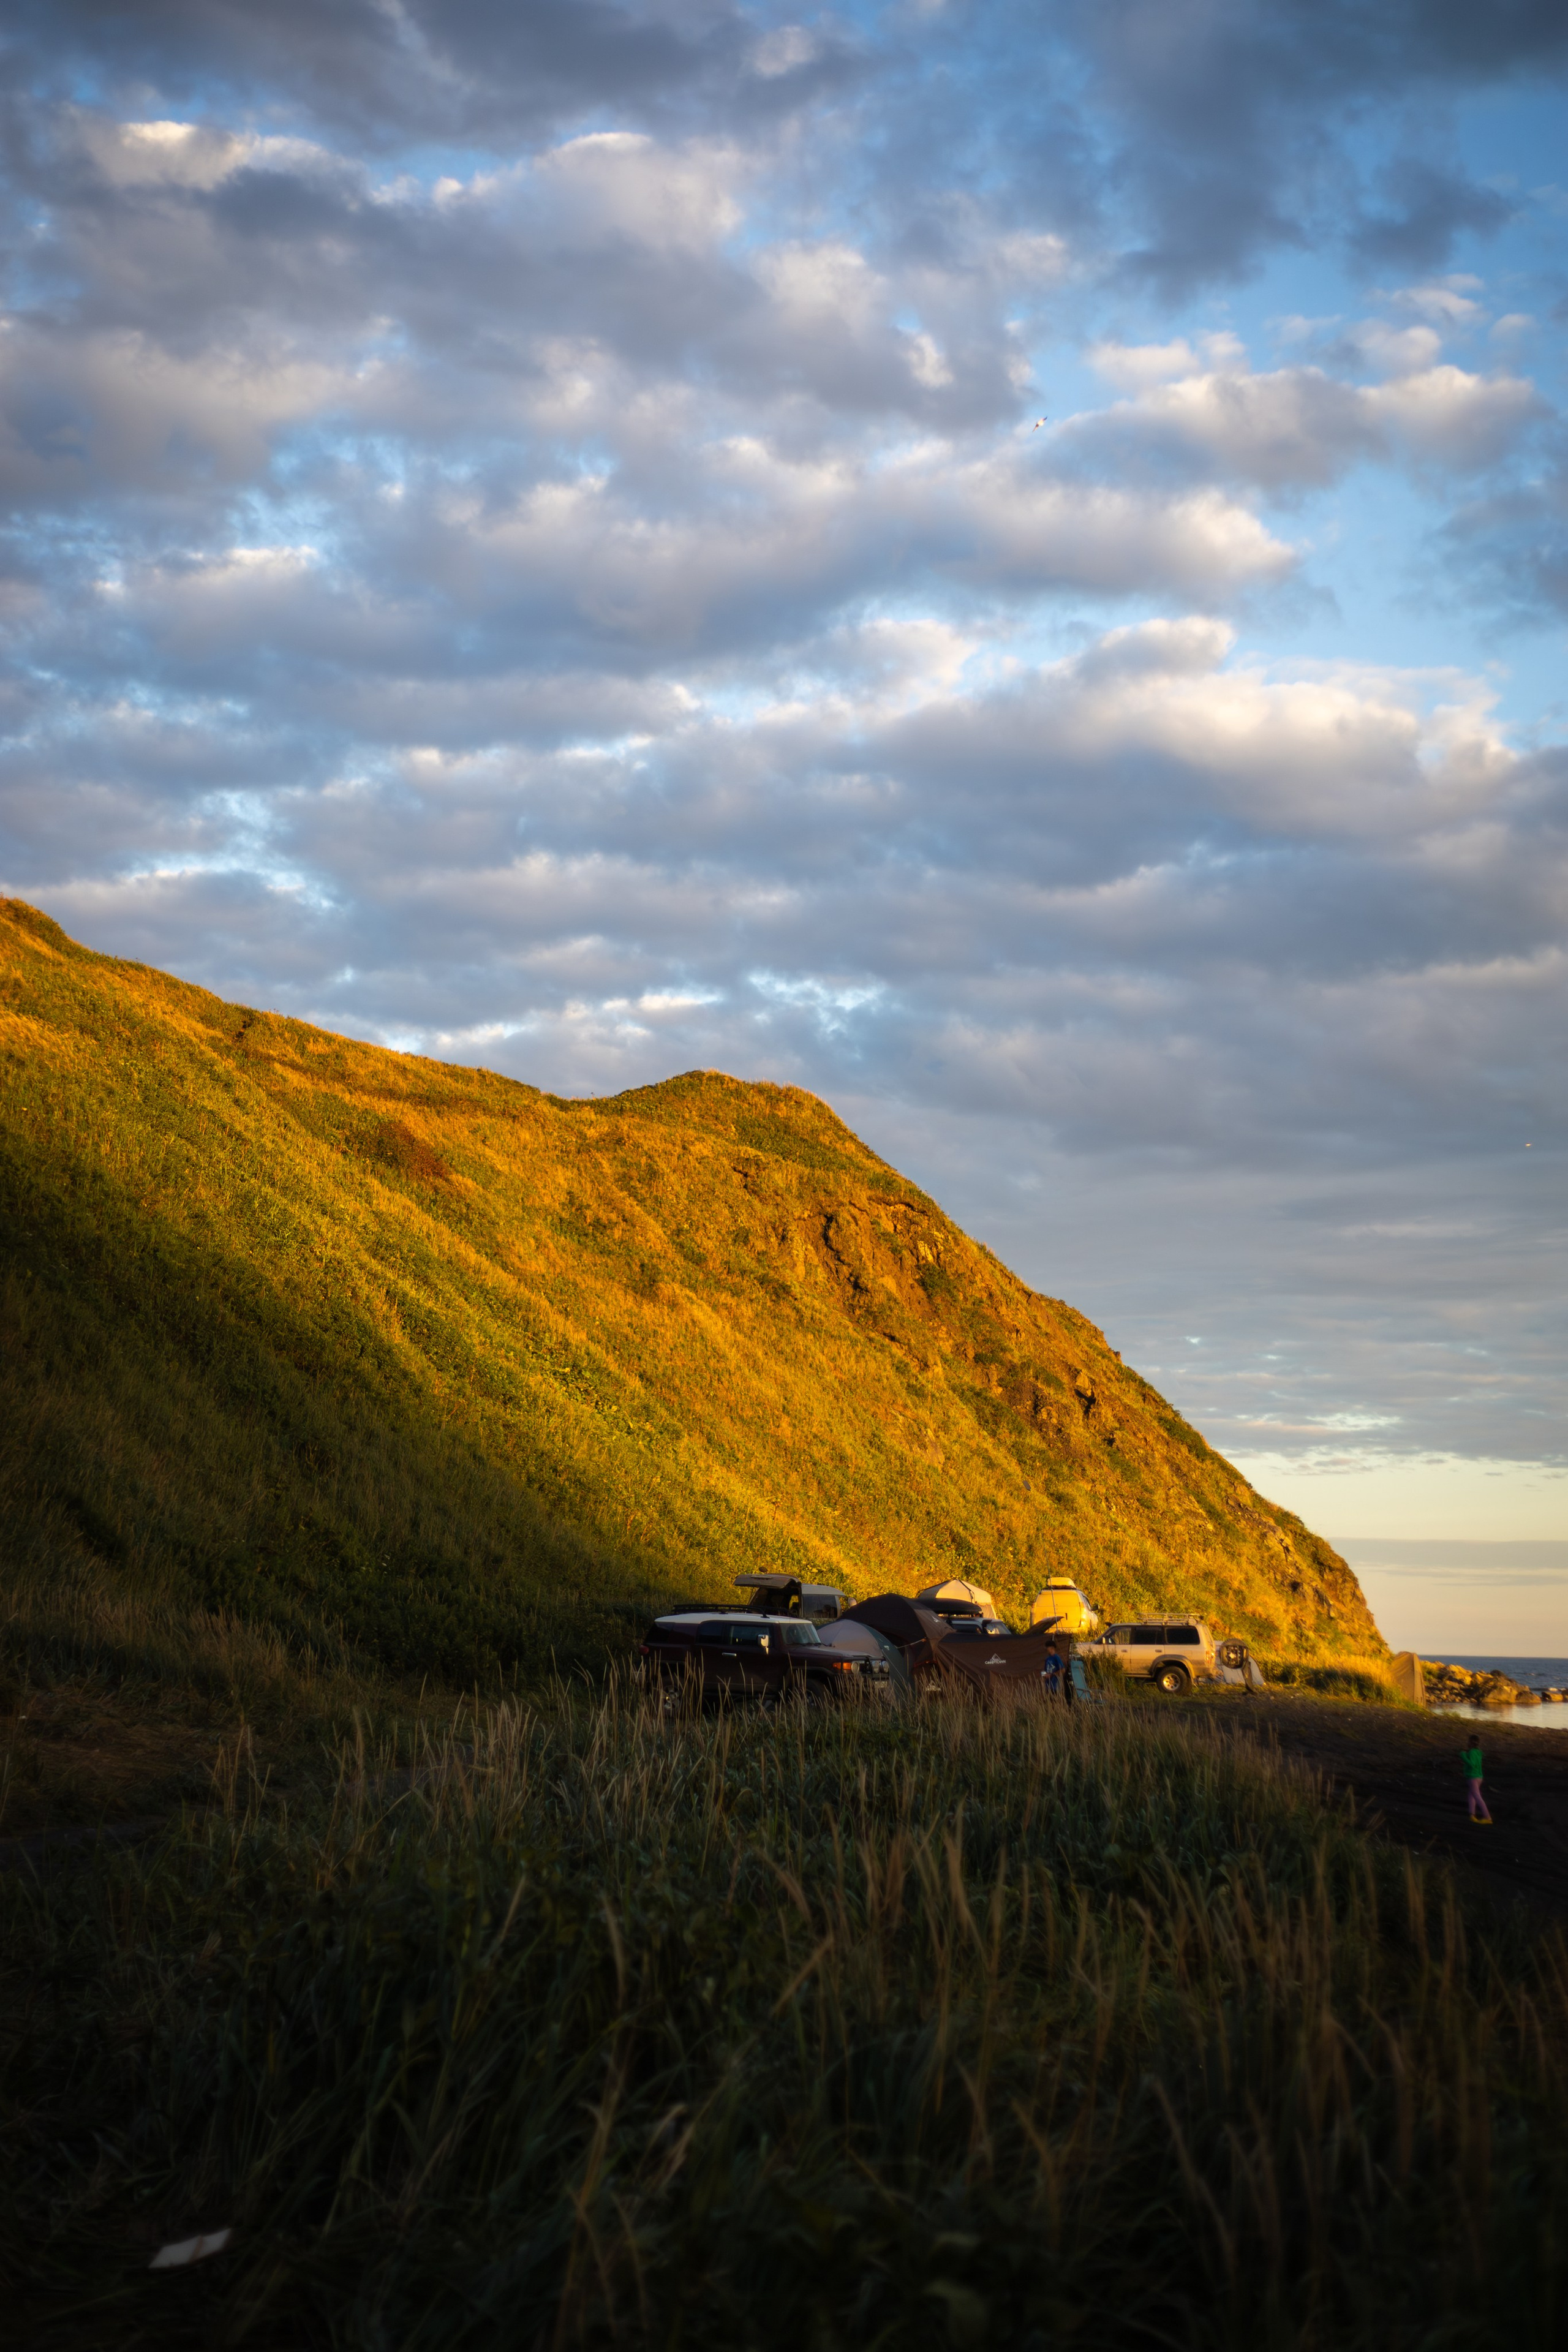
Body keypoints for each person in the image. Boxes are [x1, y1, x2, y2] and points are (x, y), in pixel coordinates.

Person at [1460, 1735, 1492, 1823]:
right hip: (1478, 1777)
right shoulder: (1478, 1752)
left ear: (1470, 1742)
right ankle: (1472, 1815)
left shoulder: (1473, 1752)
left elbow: (1472, 1764)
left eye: (1468, 1741)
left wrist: (1463, 1756)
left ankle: (1488, 1817)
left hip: (1473, 1777)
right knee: (1472, 1795)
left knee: (1477, 1796)